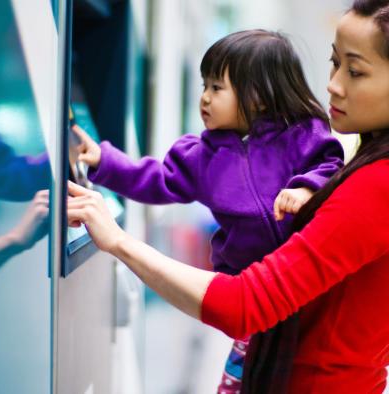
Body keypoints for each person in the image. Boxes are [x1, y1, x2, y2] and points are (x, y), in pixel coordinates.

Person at [67, 0, 389, 392]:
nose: (333, 86)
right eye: (336, 62)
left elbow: (243, 305)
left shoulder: (386, 185)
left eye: (355, 72)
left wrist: (118, 241)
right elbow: (162, 178)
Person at [71, 29, 344, 391]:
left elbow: (332, 167)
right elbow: (156, 179)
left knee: (298, 374)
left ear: (259, 95)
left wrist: (307, 187)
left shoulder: (302, 136)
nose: (204, 98)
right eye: (204, 86)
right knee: (244, 380)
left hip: (301, 290)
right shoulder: (202, 157)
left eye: (217, 88)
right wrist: (105, 160)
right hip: (247, 294)